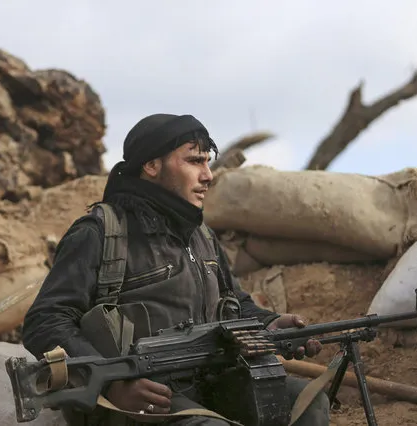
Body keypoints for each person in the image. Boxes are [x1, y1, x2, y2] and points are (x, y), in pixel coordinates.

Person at [21, 113, 330, 426]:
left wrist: (271, 324)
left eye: (208, 162)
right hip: (139, 399)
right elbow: (45, 321)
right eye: (195, 161)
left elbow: (234, 304)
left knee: (308, 402)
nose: (208, 175)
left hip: (213, 383)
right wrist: (112, 384)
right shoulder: (102, 233)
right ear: (152, 166)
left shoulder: (202, 236)